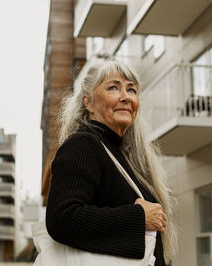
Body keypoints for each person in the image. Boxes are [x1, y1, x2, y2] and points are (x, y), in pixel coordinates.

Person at [45, 59, 177, 266]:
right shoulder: (83, 145)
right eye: (113, 87)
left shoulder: (123, 156)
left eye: (131, 90)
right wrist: (138, 216)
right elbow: (62, 219)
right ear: (87, 102)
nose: (126, 97)